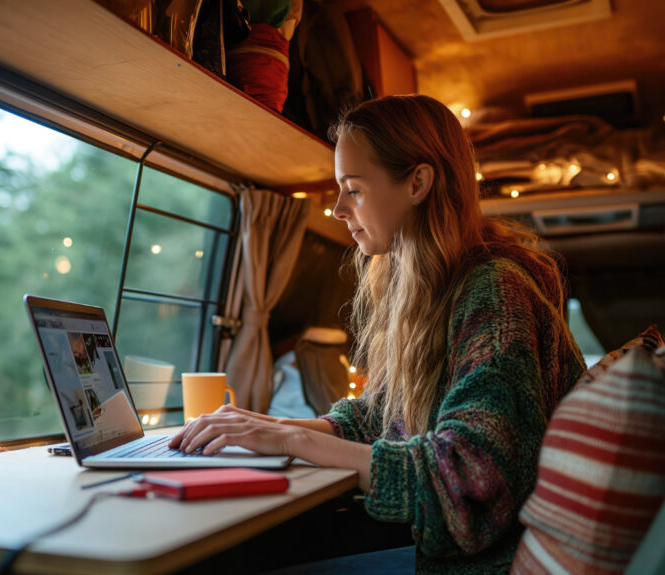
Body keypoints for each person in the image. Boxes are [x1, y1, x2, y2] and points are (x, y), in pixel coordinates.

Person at [169, 95, 586, 573]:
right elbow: (378, 418)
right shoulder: (431, 290)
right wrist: (263, 428)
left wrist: (291, 443)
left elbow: (470, 480)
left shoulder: (494, 292)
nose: (338, 209)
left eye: (355, 189)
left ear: (418, 183)